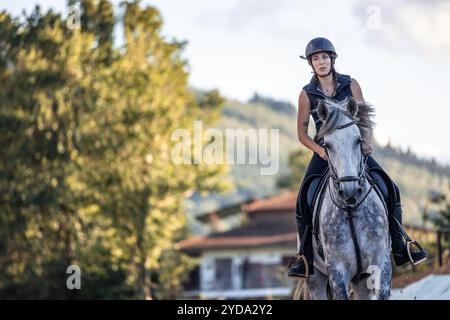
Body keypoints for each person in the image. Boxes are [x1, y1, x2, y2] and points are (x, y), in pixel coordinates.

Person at [287, 37, 428, 278]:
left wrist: (367, 142)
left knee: (389, 186)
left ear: (332, 60)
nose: (320, 62)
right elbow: (301, 133)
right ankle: (304, 257)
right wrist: (320, 151)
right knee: (304, 197)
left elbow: (364, 119)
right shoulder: (306, 94)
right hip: (325, 152)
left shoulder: (351, 84)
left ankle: (400, 246)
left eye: (324, 57)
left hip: (354, 148)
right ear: (310, 64)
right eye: (315, 58)